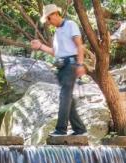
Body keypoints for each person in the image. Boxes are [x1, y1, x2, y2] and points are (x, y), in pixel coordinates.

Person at [31, 4, 87, 137]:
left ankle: (61, 130)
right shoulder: (57, 31)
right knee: (68, 98)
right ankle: (79, 129)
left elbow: (79, 45)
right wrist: (40, 46)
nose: (49, 23)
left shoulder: (70, 25)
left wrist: (80, 64)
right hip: (62, 67)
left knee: (64, 96)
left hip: (70, 65)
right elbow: (56, 52)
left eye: (49, 19)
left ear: (55, 14)